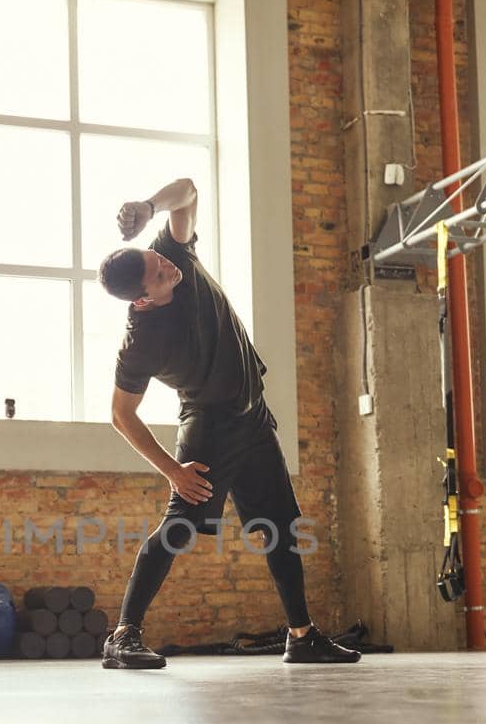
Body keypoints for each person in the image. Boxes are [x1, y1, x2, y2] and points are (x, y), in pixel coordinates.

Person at [96, 177, 360, 669]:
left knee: (281, 526)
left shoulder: (175, 257)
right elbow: (120, 414)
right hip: (209, 427)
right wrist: (172, 471)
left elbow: (189, 192)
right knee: (180, 528)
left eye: (160, 260)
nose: (167, 265)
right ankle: (123, 635)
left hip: (253, 416)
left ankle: (301, 637)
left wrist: (148, 206)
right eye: (157, 272)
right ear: (142, 300)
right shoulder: (142, 340)